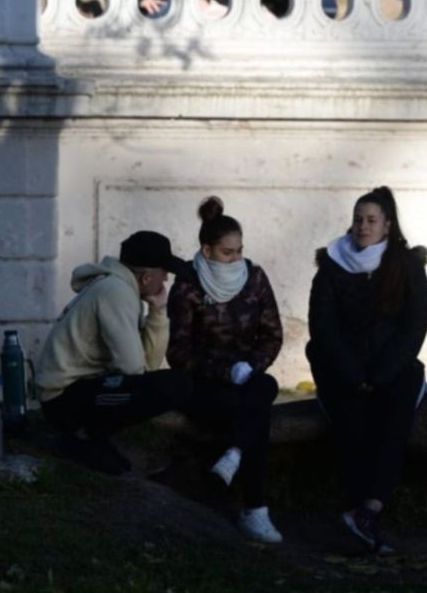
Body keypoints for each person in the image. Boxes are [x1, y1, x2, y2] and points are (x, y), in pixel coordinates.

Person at [307, 186, 427, 554]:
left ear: (387, 225)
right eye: (358, 219)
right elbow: (323, 327)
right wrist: (352, 374)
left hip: (392, 369)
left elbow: (415, 323)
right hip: (341, 369)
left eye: (371, 220)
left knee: (394, 422)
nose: (363, 226)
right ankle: (357, 510)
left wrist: (380, 374)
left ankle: (370, 509)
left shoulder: (406, 266)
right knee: (353, 423)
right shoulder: (332, 265)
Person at [167, 197, 285, 543]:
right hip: (206, 384)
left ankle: (234, 455)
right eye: (227, 252)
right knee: (254, 411)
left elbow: (273, 333)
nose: (236, 258)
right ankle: (255, 509)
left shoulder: (255, 277)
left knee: (264, 387)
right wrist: (224, 371)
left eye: (239, 250)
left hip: (249, 379)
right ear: (207, 250)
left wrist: (252, 366)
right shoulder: (188, 286)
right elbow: (177, 349)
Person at [35, 231, 193, 474]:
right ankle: (81, 434)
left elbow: (146, 367)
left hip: (82, 390)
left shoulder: (120, 289)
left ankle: (89, 436)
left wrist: (158, 312)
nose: (166, 280)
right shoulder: (115, 292)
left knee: (117, 467)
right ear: (145, 277)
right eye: (164, 273)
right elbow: (133, 369)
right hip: (64, 399)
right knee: (177, 383)